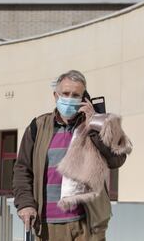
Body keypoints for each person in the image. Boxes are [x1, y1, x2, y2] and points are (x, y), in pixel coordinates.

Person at [13, 70, 127, 241]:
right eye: (65, 93)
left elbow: (117, 159)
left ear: (84, 98)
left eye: (76, 95)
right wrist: (25, 204)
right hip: (48, 225)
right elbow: (22, 169)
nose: (69, 98)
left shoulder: (99, 123)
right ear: (55, 95)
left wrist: (95, 123)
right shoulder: (37, 127)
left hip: (87, 225)